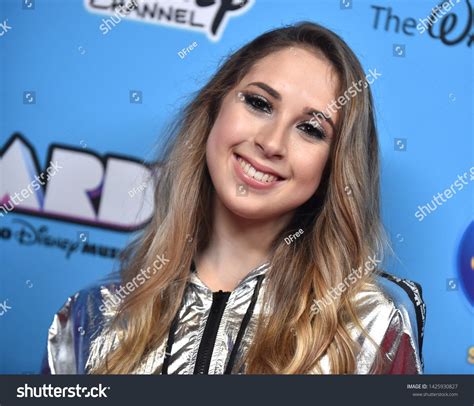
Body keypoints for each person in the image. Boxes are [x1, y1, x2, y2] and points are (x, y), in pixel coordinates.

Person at [41, 21, 426, 375]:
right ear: (214, 108)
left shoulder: (371, 324)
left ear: (333, 167)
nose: (271, 143)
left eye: (310, 129)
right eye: (259, 104)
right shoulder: (90, 317)